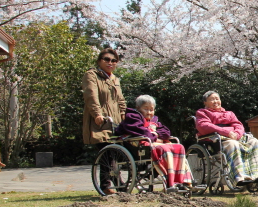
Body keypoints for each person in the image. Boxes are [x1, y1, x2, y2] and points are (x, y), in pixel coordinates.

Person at [116, 95, 193, 191]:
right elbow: (142, 132)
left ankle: (184, 180)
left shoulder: (154, 120)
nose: (149, 112)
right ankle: (171, 182)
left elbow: (166, 132)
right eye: (146, 109)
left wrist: (156, 134)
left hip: (151, 143)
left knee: (179, 147)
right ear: (138, 108)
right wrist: (155, 137)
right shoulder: (132, 118)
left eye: (151, 110)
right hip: (138, 146)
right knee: (165, 149)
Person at [196, 91, 258, 186]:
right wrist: (227, 132)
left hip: (234, 137)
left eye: (217, 99)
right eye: (212, 99)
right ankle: (240, 176)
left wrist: (237, 134)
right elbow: (204, 126)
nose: (215, 101)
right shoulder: (202, 113)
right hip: (216, 140)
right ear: (205, 102)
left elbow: (238, 125)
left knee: (254, 141)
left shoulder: (229, 113)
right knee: (232, 144)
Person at [82, 48, 127, 194]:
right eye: (106, 59)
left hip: (116, 120)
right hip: (101, 120)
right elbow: (91, 96)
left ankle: (116, 181)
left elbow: (120, 99)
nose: (110, 63)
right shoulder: (92, 75)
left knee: (115, 151)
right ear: (99, 61)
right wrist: (97, 114)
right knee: (106, 150)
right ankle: (106, 184)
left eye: (114, 60)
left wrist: (124, 113)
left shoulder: (115, 79)